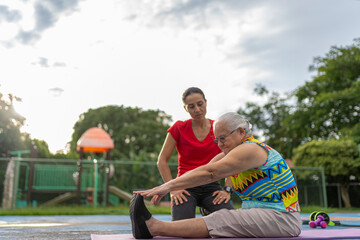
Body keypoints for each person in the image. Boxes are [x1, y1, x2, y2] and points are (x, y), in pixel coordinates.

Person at [130, 112, 302, 239]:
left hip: (283, 218)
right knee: (223, 222)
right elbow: (204, 169)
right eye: (216, 140)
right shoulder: (233, 151)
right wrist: (172, 187)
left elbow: (211, 174)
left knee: (222, 219)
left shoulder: (252, 149)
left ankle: (153, 227)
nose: (219, 145)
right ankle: (153, 226)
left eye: (223, 138)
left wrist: (167, 187)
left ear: (241, 132)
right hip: (265, 214)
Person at [157, 87, 233, 221]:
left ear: (206, 102)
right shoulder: (179, 128)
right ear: (186, 108)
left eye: (200, 104)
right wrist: (173, 189)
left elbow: (233, 157)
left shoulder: (218, 128)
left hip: (212, 186)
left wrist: (227, 189)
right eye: (191, 106)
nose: (197, 109)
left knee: (232, 224)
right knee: (182, 230)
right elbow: (162, 160)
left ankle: (207, 209)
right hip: (185, 186)